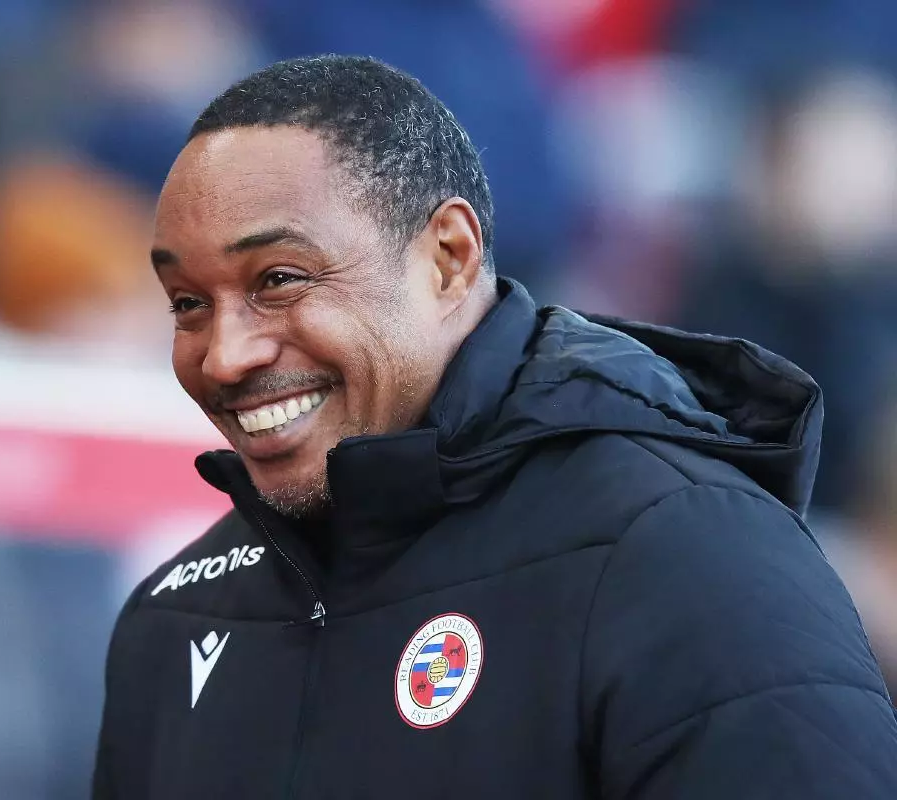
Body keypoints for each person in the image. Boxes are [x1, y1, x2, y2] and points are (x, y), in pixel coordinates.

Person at [92, 55, 897, 798]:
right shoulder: (175, 617)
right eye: (188, 303)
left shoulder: (683, 553)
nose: (225, 355)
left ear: (448, 257)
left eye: (278, 280)